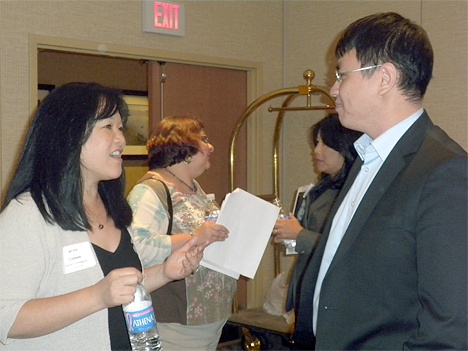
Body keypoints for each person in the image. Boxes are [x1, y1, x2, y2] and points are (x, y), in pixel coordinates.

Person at [293, 12, 467, 350]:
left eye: (342, 75)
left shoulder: (444, 171)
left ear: (385, 78)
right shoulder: (367, 158)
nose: (334, 88)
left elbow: (451, 325)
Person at [0, 83, 205, 351]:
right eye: (107, 127)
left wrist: (165, 273)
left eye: (120, 128)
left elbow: (121, 288)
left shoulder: (113, 208)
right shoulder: (27, 215)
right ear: (68, 135)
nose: (121, 138)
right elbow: (6, 318)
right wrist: (96, 296)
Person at [127, 115, 237, 351]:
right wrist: (195, 236)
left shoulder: (193, 188)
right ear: (184, 149)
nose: (211, 147)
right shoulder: (150, 191)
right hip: (175, 324)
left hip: (209, 321)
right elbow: (138, 248)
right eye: (204, 140)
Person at [273, 113, 361, 315]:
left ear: (344, 147)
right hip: (309, 286)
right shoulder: (324, 186)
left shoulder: (353, 193)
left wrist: (299, 234)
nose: (316, 151)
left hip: (334, 293)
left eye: (324, 144)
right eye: (316, 143)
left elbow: (346, 250)